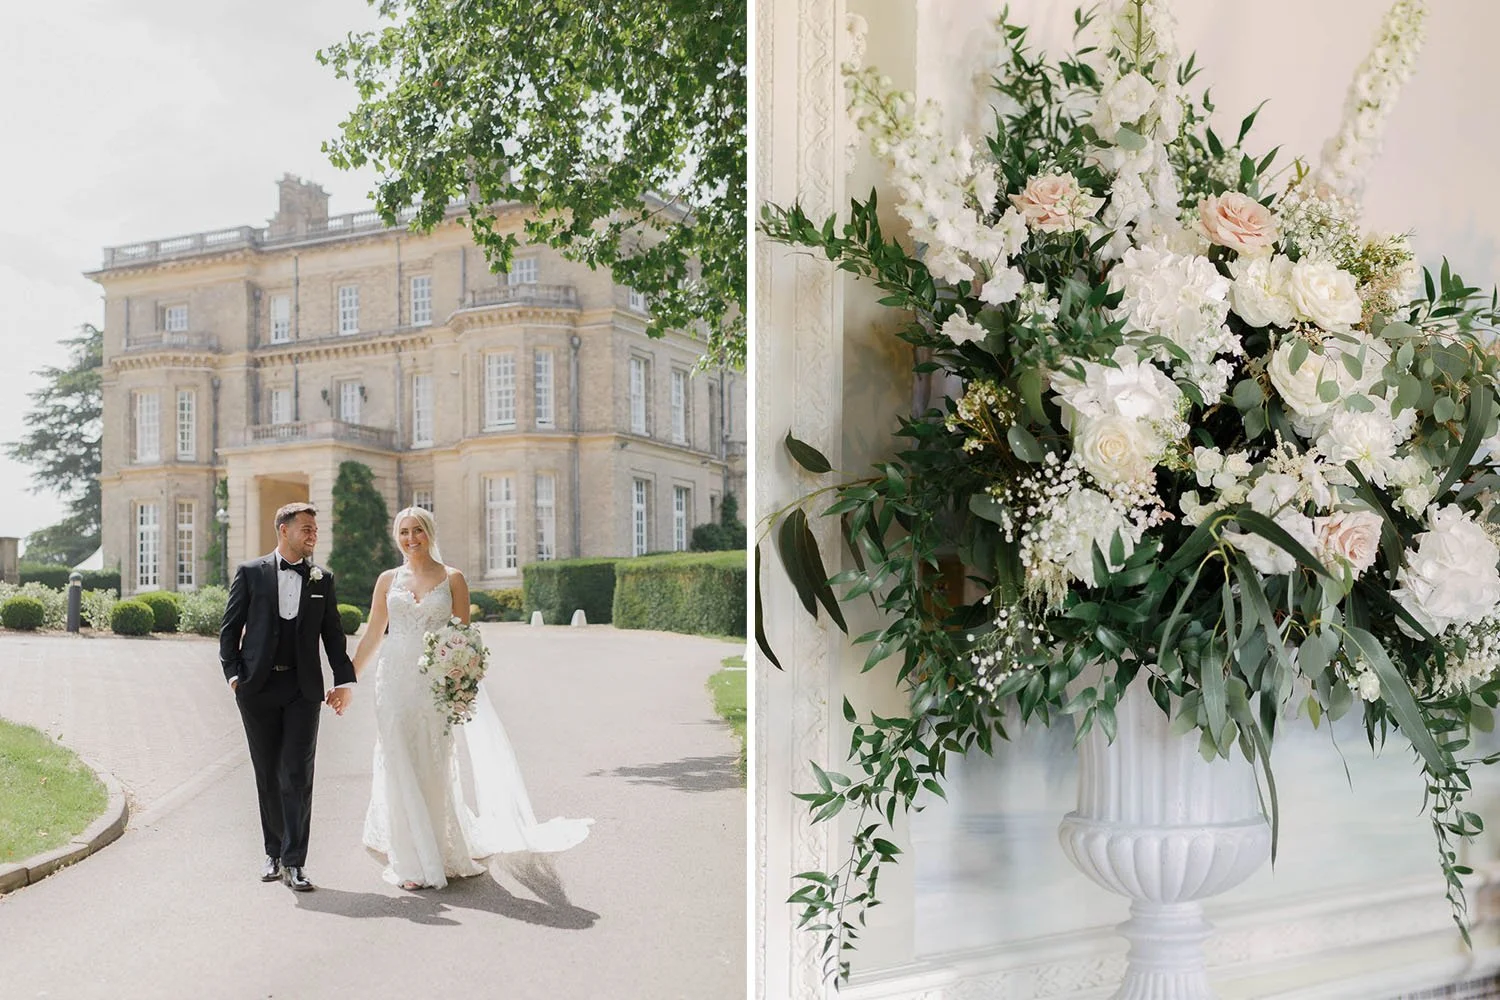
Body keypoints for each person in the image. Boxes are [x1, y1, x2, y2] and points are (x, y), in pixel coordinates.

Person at [346, 506, 591, 890]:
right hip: (392, 683)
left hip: (433, 686)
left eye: (418, 531)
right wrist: (347, 679)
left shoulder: (453, 579)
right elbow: (375, 632)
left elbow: (464, 639)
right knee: (396, 758)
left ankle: (435, 846)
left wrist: (461, 684)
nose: (411, 539)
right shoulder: (387, 580)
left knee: (432, 761)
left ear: (430, 533)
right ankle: (410, 857)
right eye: (404, 532)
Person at [219, 502, 355, 892]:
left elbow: (333, 635)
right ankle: (273, 852)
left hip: (302, 691)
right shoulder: (250, 574)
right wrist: (233, 677)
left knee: (297, 773)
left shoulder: (321, 579)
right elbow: (230, 630)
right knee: (267, 772)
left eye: (315, 530)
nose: (313, 535)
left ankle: (295, 862)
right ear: (283, 530)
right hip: (256, 689)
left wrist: (344, 682)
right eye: (306, 529)